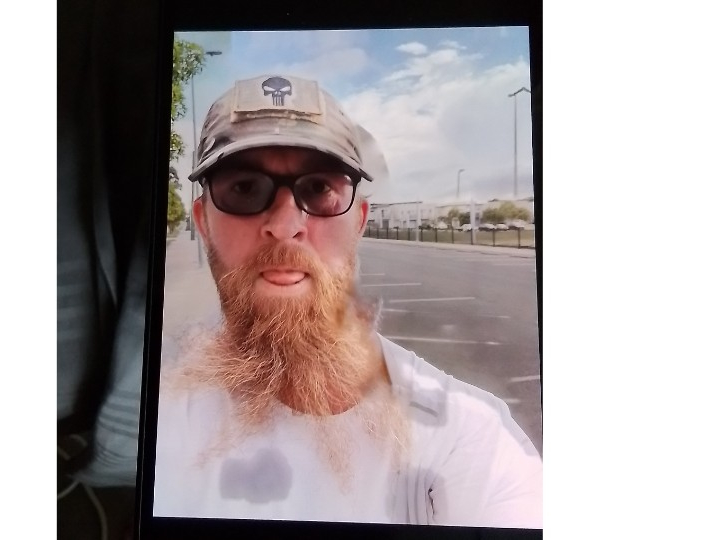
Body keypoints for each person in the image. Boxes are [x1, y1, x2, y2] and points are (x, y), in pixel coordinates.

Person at [153, 74, 542, 528]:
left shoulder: (464, 434)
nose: (286, 226)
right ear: (203, 222)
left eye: (319, 189)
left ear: (359, 220)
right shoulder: (150, 412)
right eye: (243, 188)